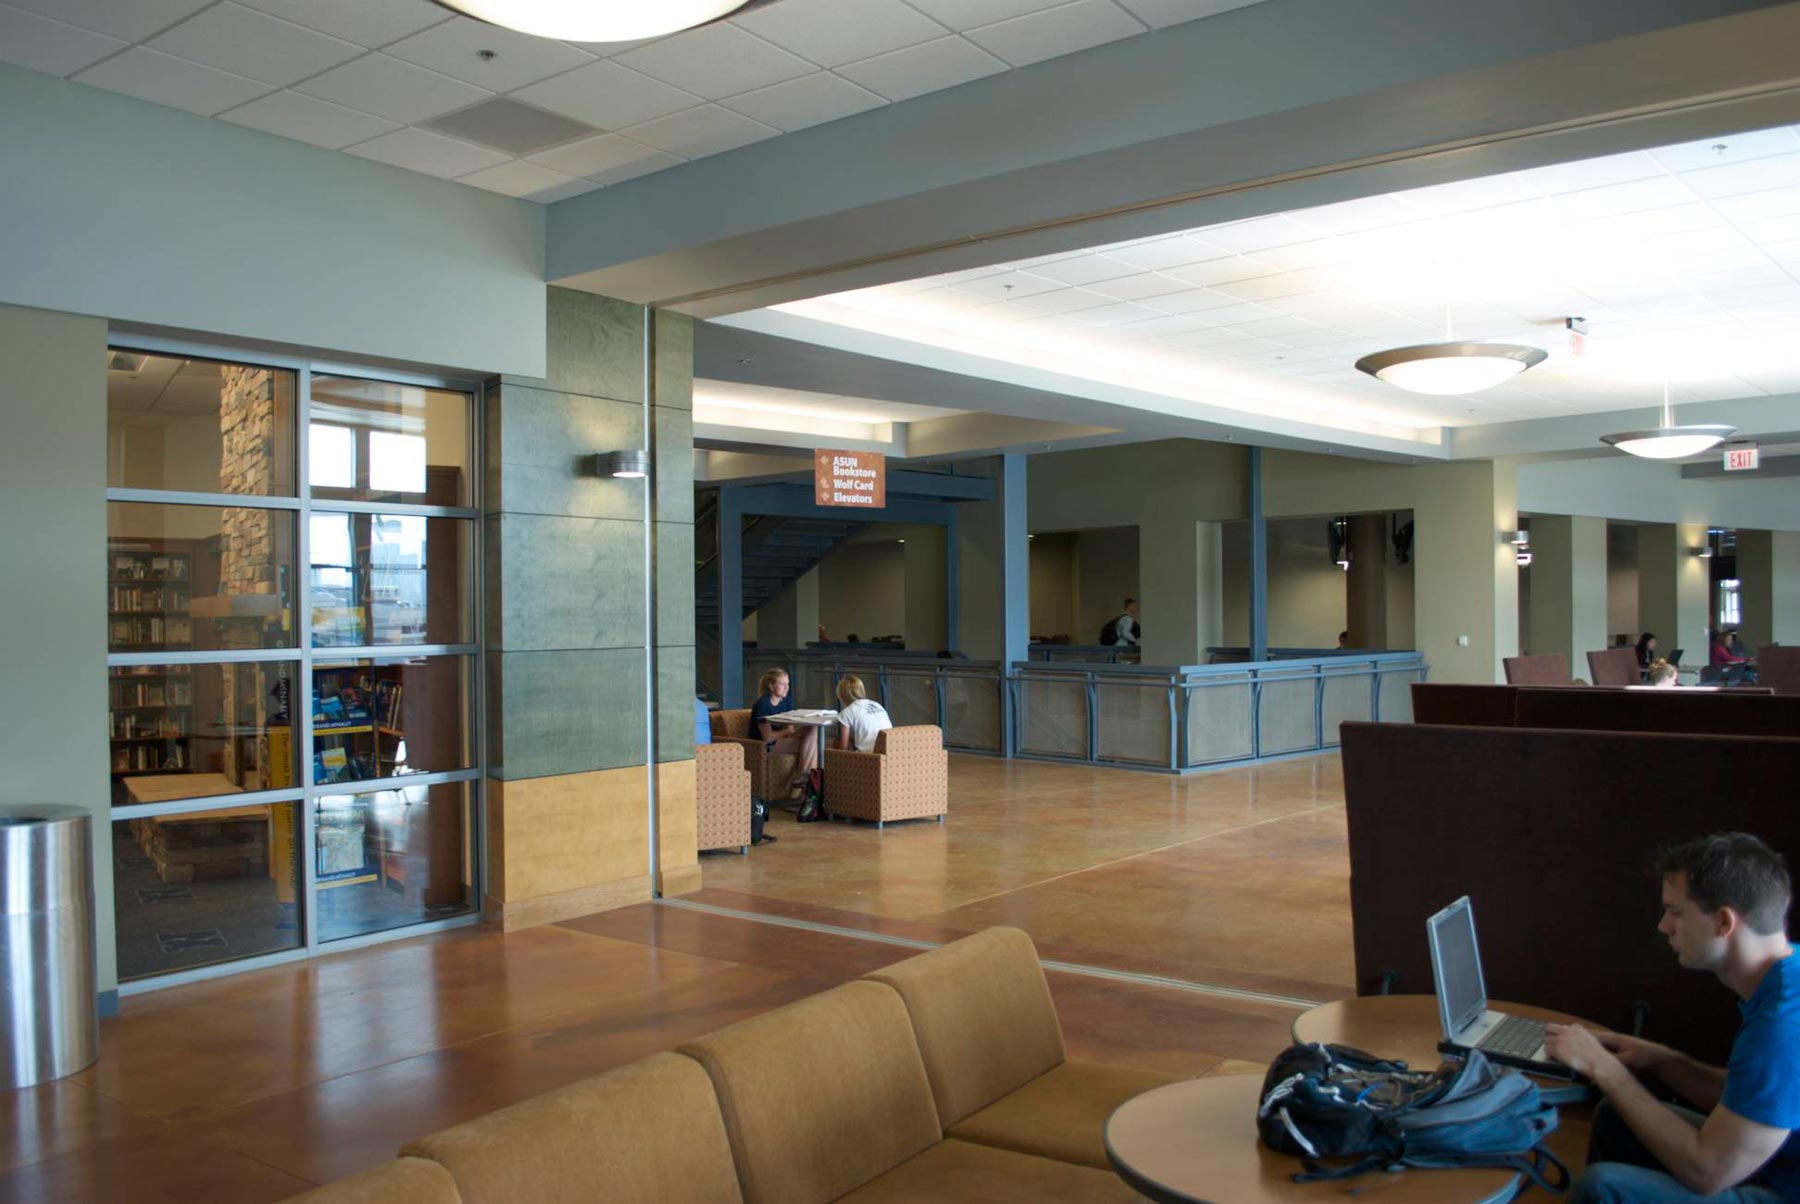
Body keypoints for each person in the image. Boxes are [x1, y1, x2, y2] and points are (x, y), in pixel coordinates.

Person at [1544, 833, 1799, 1203]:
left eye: (1675, 911)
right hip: (1776, 1159)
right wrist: (1665, 1061)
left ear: (1724, 923)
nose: (1664, 925)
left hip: (1781, 1188)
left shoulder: (1780, 1027)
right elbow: (1754, 1095)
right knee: (1616, 1118)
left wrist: (1603, 1068)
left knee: (1603, 1188)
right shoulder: (1784, 977)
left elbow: (1707, 1171)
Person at [749, 668, 818, 797]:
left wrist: (788, 732)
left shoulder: (787, 701)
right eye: (782, 684)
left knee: (812, 729)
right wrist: (787, 731)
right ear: (771, 686)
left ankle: (805, 776)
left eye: (788, 684)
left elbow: (790, 730)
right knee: (812, 747)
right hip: (765, 746)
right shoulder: (763, 704)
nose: (786, 688)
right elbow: (768, 737)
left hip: (781, 741)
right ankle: (810, 784)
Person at [833, 675, 893, 752]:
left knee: (836, 743)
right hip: (889, 750)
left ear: (842, 695)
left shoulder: (846, 713)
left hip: (869, 756)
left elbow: (843, 748)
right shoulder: (877, 705)